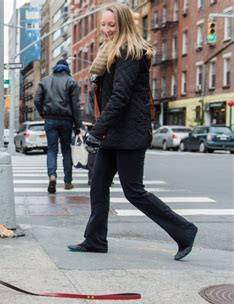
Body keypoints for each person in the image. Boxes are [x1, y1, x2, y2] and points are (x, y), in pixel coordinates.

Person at [67, 3, 198, 261]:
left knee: (134, 191)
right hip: (112, 134)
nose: (106, 29)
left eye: (111, 25)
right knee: (97, 185)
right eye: (103, 24)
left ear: (123, 25)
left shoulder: (129, 52)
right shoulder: (109, 51)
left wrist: (96, 132)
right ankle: (95, 240)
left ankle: (185, 231)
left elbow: (120, 97)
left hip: (129, 134)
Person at [34, 59, 82, 193]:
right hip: (67, 120)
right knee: (66, 151)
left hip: (50, 119)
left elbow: (37, 100)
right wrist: (78, 125)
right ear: (66, 69)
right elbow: (76, 106)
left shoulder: (45, 81)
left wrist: (43, 113)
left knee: (52, 150)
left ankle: (52, 176)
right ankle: (67, 182)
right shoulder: (71, 82)